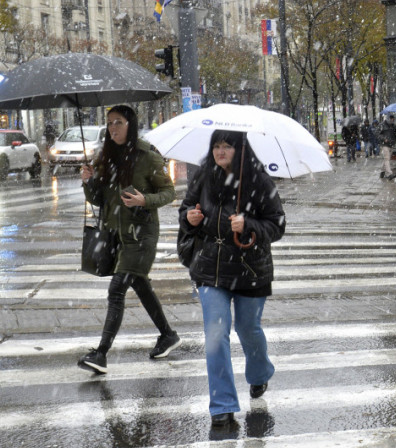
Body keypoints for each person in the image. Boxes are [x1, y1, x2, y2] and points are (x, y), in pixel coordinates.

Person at [178, 130, 286, 427]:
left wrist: (248, 224)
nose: (220, 151)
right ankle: (222, 406)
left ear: (240, 149)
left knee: (248, 328)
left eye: (227, 145)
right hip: (210, 269)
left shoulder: (259, 180)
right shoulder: (203, 176)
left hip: (250, 271)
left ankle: (260, 372)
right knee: (215, 335)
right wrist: (190, 217)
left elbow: (277, 224)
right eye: (216, 145)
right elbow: (186, 208)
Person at [77, 105, 179, 374]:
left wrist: (146, 200)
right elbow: (99, 200)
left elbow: (169, 193)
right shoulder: (106, 156)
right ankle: (167, 334)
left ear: (130, 125)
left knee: (117, 289)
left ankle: (101, 354)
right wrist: (88, 182)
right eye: (110, 123)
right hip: (116, 236)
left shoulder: (147, 156)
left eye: (118, 123)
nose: (113, 128)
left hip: (141, 235)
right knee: (140, 285)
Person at [378, 114, 396, 180]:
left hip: (391, 144)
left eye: (393, 118)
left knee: (387, 159)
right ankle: (389, 173)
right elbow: (378, 133)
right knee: (387, 158)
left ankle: (382, 171)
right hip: (385, 144)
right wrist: (384, 139)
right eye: (391, 118)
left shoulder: (393, 126)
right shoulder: (382, 125)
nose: (392, 120)